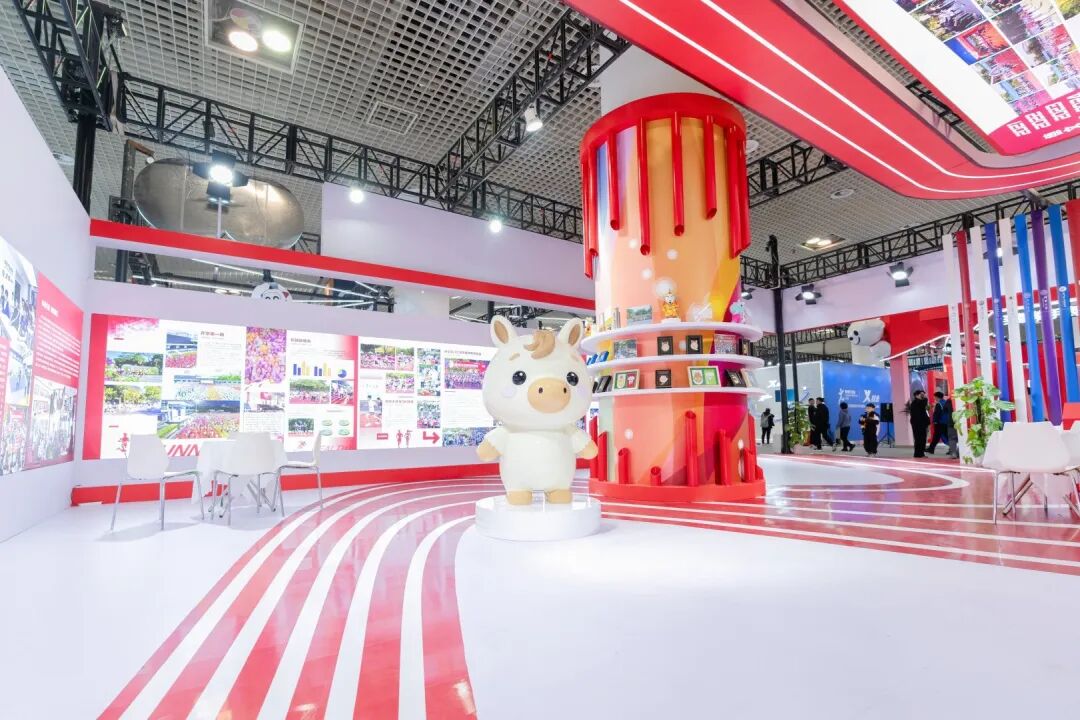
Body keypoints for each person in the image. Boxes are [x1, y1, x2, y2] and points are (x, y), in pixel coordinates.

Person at [927, 391, 953, 455]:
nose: (934, 398)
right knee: (946, 436)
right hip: (946, 422)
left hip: (940, 422)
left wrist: (935, 421)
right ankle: (952, 449)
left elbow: (937, 414)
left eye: (935, 397)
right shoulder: (946, 402)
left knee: (936, 436)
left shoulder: (939, 404)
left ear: (937, 397)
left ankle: (931, 449)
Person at [909, 390, 930, 458]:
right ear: (916, 395)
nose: (922, 395)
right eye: (921, 394)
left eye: (923, 394)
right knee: (919, 439)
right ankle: (919, 454)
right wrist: (925, 398)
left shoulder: (918, 402)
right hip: (918, 424)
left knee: (922, 439)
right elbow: (924, 403)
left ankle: (920, 453)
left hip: (921, 423)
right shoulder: (916, 402)